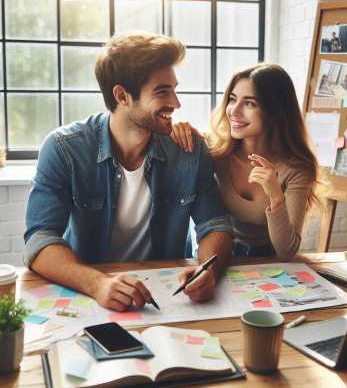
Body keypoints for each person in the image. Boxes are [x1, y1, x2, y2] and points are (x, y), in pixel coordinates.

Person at [24, 33, 233, 312]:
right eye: (162, 91)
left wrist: (209, 270)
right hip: (90, 294)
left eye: (174, 88)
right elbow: (40, 239)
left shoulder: (189, 150)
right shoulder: (64, 149)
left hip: (169, 299)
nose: (176, 102)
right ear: (122, 96)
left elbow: (215, 225)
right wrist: (97, 284)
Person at [171, 64, 319, 260]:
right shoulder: (214, 151)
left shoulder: (296, 168)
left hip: (269, 263)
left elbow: (287, 251)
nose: (234, 111)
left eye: (250, 103)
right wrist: (178, 129)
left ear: (275, 111)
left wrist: (275, 196)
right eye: (232, 99)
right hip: (219, 256)